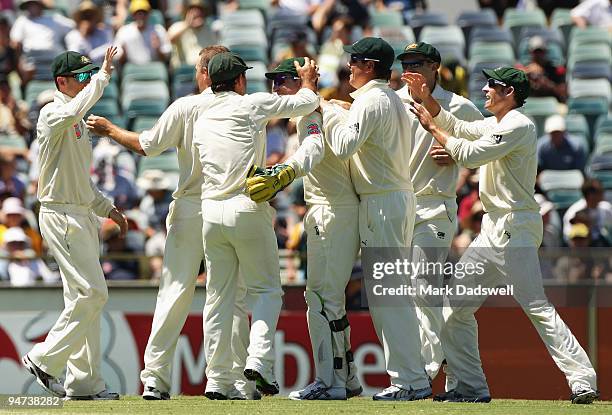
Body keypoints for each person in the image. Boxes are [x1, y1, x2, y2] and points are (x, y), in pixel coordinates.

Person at [407, 66, 599, 404]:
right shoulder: (496, 122)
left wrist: (432, 126)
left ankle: (582, 379)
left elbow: (468, 154)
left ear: (508, 92)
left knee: (536, 306)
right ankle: (471, 386)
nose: (484, 91)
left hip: (515, 227)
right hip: (493, 228)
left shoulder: (519, 125)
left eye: (492, 86)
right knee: (455, 307)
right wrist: (429, 102)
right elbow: (462, 128)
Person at [87, 45, 259, 400]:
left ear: (205, 73)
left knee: (175, 291)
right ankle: (232, 379)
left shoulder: (186, 106)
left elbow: (146, 146)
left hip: (192, 207)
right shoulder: (249, 106)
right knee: (232, 295)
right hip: (234, 204)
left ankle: (155, 379)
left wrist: (108, 128)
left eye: (198, 69)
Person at [192, 52, 319, 399]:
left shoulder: (201, 117)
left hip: (210, 211)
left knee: (218, 298)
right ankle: (259, 361)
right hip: (246, 206)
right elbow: (306, 102)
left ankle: (217, 380)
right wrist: (308, 78)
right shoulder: (249, 105)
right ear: (238, 81)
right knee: (265, 291)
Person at [321, 37, 431, 401]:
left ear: (369, 65)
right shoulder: (389, 97)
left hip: (382, 202)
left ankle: (410, 381)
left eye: (354, 60)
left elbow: (342, 147)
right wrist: (341, 108)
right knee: (392, 294)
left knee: (388, 297)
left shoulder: (371, 100)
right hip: (393, 198)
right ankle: (412, 378)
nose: (348, 66)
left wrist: (329, 112)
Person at [248, 58, 363, 400]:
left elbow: (312, 150)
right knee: (332, 301)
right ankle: (349, 377)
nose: (275, 89)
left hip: (331, 211)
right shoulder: (328, 107)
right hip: (339, 209)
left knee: (321, 299)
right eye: (272, 82)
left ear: (301, 82)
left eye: (282, 81)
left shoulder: (310, 113)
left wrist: (284, 172)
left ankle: (330, 382)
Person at [21, 47, 127, 400]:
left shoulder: (76, 118)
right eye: (80, 77)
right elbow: (73, 111)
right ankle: (42, 358)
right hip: (60, 214)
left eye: (88, 75)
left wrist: (107, 208)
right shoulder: (51, 114)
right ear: (60, 81)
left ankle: (84, 384)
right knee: (93, 294)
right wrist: (103, 78)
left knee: (83, 299)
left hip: (79, 211)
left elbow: (80, 180)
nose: (85, 82)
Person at [395, 41, 483, 389]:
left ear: (435, 67)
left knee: (423, 286)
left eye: (416, 63)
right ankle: (432, 361)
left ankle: (428, 367)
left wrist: (457, 152)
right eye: (405, 63)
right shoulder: (393, 101)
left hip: (435, 205)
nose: (409, 70)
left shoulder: (458, 106)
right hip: (398, 207)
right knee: (403, 292)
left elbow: (483, 150)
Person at [114, 0, 171, 65]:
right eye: (137, 13)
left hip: (153, 69)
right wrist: (124, 54)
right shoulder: (123, 31)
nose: (141, 15)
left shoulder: (158, 30)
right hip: (132, 70)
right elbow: (118, 60)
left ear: (149, 14)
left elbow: (166, 58)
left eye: (144, 12)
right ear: (133, 15)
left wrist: (158, 49)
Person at [168, 0, 217, 69]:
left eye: (200, 10)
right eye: (193, 9)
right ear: (186, 12)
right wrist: (187, 24)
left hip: (204, 70)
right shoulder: (178, 26)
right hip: (183, 71)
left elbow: (214, 51)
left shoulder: (208, 29)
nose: (197, 12)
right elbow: (170, 39)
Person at [562, 178, 612, 246]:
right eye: (599, 191)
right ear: (590, 195)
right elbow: (568, 237)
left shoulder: (606, 208)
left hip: (601, 244)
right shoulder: (574, 212)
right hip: (582, 248)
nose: (602, 193)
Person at [519, 36, 567, 102]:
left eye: (540, 51)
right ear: (530, 52)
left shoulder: (553, 70)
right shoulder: (526, 70)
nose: (538, 55)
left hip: (551, 103)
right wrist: (527, 74)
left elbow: (562, 93)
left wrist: (547, 83)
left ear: (545, 52)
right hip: (530, 104)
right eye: (536, 52)